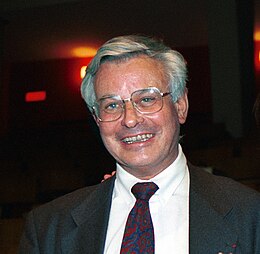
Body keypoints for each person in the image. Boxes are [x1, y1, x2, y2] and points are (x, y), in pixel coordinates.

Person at [19, 35, 260, 253]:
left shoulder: (250, 214)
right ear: (97, 119)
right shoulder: (48, 229)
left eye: (146, 99)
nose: (130, 119)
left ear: (180, 106)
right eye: (111, 105)